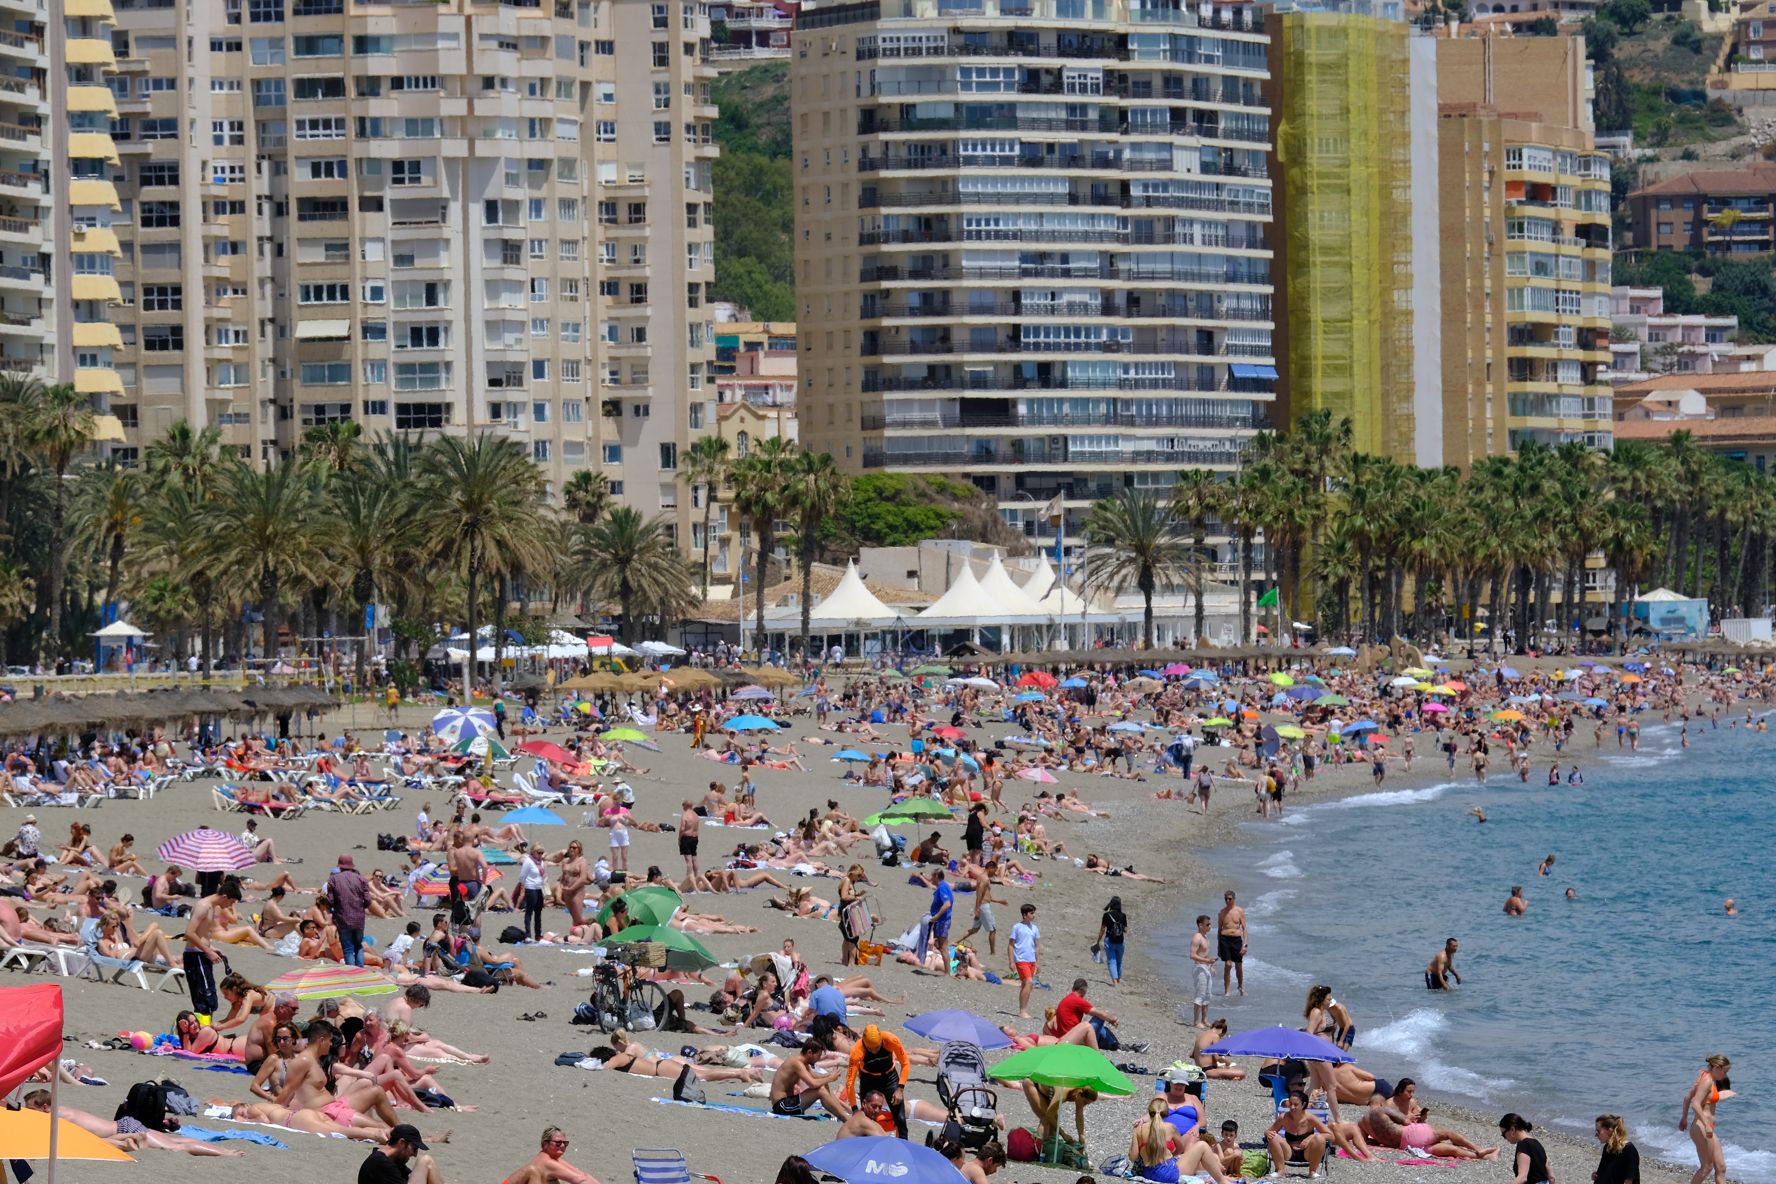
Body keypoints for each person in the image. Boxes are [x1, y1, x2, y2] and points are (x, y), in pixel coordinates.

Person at [1128, 1097, 1229, 1184]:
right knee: (1202, 1146)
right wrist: (1171, 1157)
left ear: (1149, 1111)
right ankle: (1222, 1180)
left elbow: (1133, 1157)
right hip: (1168, 1174)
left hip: (1148, 1173)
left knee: (1192, 1159)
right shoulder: (1169, 1127)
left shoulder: (1139, 1129)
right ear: (1166, 1113)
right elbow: (1180, 1149)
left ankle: (1220, 1175)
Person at [183, 877, 244, 1017]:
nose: (230, 905)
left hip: (201, 954)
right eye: (231, 902)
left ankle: (204, 1032)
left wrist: (211, 947)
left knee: (209, 999)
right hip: (195, 956)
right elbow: (189, 933)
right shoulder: (203, 906)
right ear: (224, 896)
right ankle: (201, 1033)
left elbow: (202, 933)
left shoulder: (211, 907)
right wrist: (208, 951)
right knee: (204, 999)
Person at [842, 1023, 909, 1138]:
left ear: (881, 1041)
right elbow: (849, 1083)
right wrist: (854, 1108)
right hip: (869, 1080)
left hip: (890, 1078)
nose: (874, 1051)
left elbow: (905, 1063)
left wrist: (900, 1088)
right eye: (870, 1048)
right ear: (864, 1043)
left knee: (901, 1119)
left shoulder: (891, 1039)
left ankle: (903, 1148)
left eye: (877, 1047)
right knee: (868, 1119)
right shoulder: (857, 1051)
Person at [769, 1035, 849, 1119]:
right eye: (818, 1056)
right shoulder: (796, 1063)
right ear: (809, 1053)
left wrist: (830, 1075)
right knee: (820, 1090)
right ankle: (845, 1118)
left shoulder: (803, 1063)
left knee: (824, 1084)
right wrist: (830, 1078)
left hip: (789, 1102)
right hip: (782, 1106)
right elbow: (812, 1084)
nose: (818, 1059)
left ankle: (842, 1113)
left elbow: (815, 1077)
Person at [1680, 1055, 1732, 1184]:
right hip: (1702, 1127)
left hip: (1705, 1127)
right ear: (1716, 1068)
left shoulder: (1705, 1078)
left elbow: (1687, 1097)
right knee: (1706, 1167)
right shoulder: (1707, 1080)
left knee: (1721, 1167)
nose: (1725, 1076)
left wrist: (1684, 1118)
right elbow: (1695, 1103)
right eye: (1724, 1072)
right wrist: (1706, 1124)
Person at [1266, 1091, 1331, 1180]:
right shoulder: (1283, 1118)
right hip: (1289, 1152)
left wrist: (1311, 1137)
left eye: (1296, 1104)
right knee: (1273, 1136)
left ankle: (1312, 1172)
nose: (1292, 1107)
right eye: (1290, 1104)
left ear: (1303, 1104)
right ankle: (1280, 1171)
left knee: (1320, 1138)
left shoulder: (1310, 1119)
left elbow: (1331, 1135)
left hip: (1308, 1153)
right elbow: (1268, 1131)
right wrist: (1268, 1133)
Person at [509, 1125, 600, 1184]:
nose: (563, 1145)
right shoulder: (547, 1162)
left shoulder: (554, 1159)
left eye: (565, 1143)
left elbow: (582, 1175)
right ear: (545, 1144)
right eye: (558, 1143)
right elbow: (579, 1180)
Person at [358, 1123, 441, 1184]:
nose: (415, 1154)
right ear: (401, 1143)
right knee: (425, 1161)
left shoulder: (392, 1160)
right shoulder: (381, 1162)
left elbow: (412, 1176)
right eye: (414, 1148)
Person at [328, 854, 372, 968]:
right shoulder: (360, 879)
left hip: (343, 918)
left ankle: (351, 973)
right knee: (358, 946)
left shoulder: (333, 879)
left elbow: (330, 901)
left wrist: (333, 911)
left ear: (340, 866)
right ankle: (360, 970)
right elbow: (368, 899)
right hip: (359, 918)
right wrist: (361, 907)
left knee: (348, 948)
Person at [1009, 903, 1041, 1019]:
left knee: (1026, 985)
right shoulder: (1017, 927)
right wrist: (1011, 961)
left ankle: (1023, 1009)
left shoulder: (1035, 928)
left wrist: (1038, 962)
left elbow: (1037, 946)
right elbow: (1011, 945)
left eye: (1034, 913)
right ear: (1024, 915)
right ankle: (1023, 1011)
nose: (1034, 915)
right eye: (1031, 913)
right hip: (1021, 960)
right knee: (1028, 982)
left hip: (1031, 960)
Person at [1500, 1113, 1551, 1184]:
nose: (1504, 1138)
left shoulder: (1523, 1145)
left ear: (1512, 1130)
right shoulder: (1537, 1144)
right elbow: (1551, 1177)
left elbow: (1522, 1177)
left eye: (1503, 1134)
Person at [1593, 1114, 1640, 1184]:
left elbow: (1629, 1180)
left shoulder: (1629, 1149)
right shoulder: (1608, 1148)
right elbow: (1608, 1173)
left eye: (1598, 1131)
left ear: (1609, 1131)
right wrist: (1598, 1176)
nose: (1595, 1135)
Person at [1216, 891, 1246, 996]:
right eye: (1226, 899)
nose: (1227, 901)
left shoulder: (1239, 911)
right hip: (1225, 940)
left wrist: (1245, 945)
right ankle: (1227, 991)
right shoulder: (1222, 912)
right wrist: (1219, 947)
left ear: (1234, 898)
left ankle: (1240, 986)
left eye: (1229, 899)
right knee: (1228, 964)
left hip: (1237, 940)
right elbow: (1219, 930)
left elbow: (1244, 928)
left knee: (1238, 965)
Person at [1188, 915, 1213, 1028]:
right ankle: (1196, 1021)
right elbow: (1192, 955)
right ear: (1200, 925)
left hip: (1206, 968)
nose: (1210, 926)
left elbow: (1205, 954)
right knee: (1200, 995)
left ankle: (1205, 1019)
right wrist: (1206, 961)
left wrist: (1210, 966)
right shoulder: (1197, 937)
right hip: (1199, 968)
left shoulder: (1205, 937)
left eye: (1210, 924)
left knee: (1207, 995)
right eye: (1207, 924)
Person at [1096, 896, 1128, 986]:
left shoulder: (1106, 915)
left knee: (1111, 960)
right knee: (1119, 961)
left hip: (1109, 940)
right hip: (1120, 941)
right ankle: (1118, 980)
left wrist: (1098, 941)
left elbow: (1102, 930)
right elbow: (1125, 930)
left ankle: (1114, 980)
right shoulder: (1123, 915)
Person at [926, 868, 954, 968]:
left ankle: (947, 972)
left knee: (943, 948)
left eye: (932, 877)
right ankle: (947, 971)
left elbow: (947, 904)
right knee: (940, 946)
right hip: (941, 920)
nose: (931, 879)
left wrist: (936, 916)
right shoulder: (943, 886)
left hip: (942, 920)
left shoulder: (942, 887)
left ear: (937, 876)